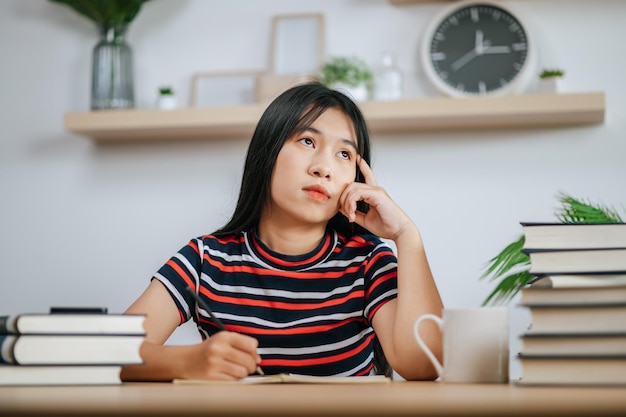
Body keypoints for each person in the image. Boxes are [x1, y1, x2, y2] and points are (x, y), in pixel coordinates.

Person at [121, 82, 443, 382]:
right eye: (307, 141)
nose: (323, 167)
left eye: (344, 154)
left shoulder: (367, 260)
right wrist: (187, 362)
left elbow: (424, 363)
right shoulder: (205, 259)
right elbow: (108, 353)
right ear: (268, 150)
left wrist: (405, 235)